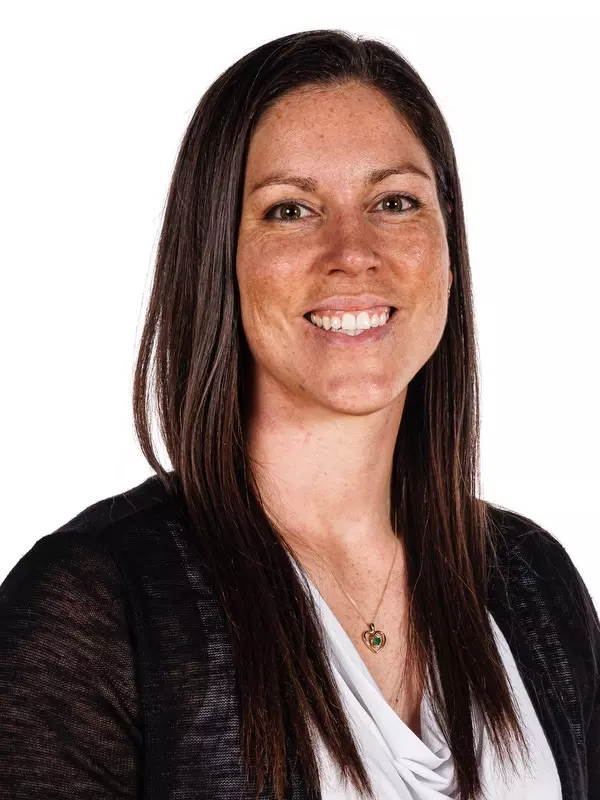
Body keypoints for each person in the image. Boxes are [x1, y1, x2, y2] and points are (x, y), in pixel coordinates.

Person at [0, 28, 598, 800]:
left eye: (395, 202)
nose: (352, 251)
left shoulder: (532, 582)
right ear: (217, 257)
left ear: (449, 255)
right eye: (290, 210)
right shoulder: (94, 607)